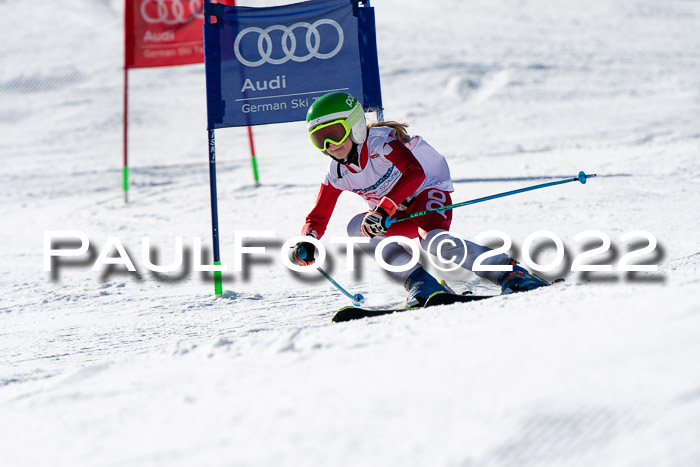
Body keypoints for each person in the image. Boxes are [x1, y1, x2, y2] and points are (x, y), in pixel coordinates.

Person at [291, 91, 547, 304]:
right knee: (356, 229)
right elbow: (319, 215)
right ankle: (420, 281)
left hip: (426, 192)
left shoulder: (381, 144)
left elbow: (414, 173)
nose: (330, 146)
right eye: (319, 139)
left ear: (355, 126)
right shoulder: (337, 172)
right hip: (392, 213)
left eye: (334, 134)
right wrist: (308, 240)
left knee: (435, 243)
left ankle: (511, 273)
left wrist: (382, 210)